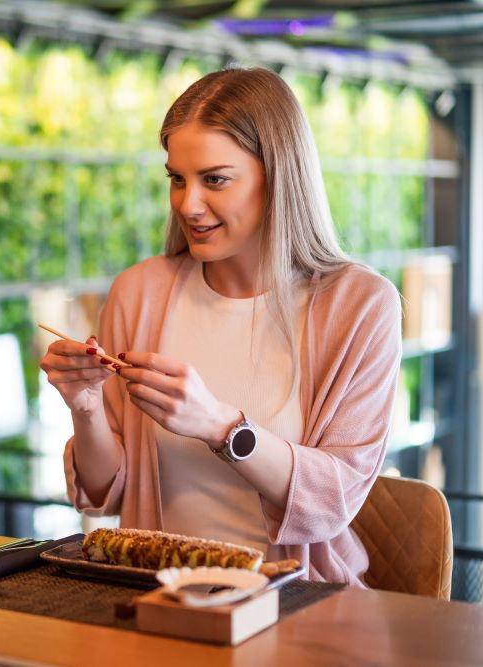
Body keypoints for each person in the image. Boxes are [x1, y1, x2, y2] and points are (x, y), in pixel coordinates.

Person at [40, 66, 401, 586]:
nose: (188, 204)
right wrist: (87, 407)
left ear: (278, 177)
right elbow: (106, 494)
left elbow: (336, 496)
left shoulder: (359, 306)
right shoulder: (138, 294)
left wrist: (221, 427)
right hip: (158, 603)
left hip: (298, 608)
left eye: (215, 179)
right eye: (176, 179)